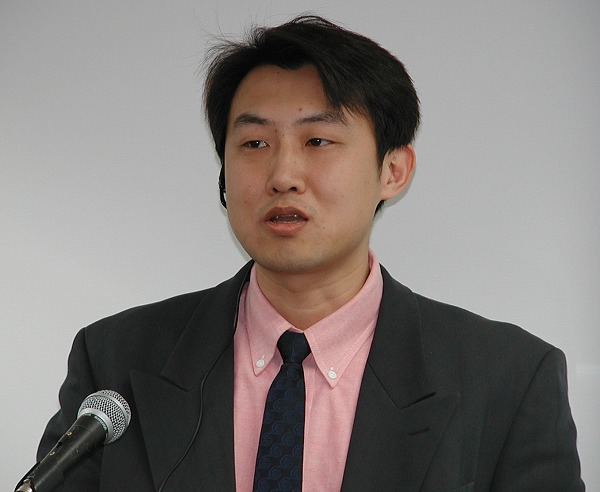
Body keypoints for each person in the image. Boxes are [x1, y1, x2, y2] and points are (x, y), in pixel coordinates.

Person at [32, 16, 583, 491]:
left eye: (317, 141)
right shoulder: (117, 360)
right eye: (254, 144)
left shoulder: (509, 378)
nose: (283, 175)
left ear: (393, 170)